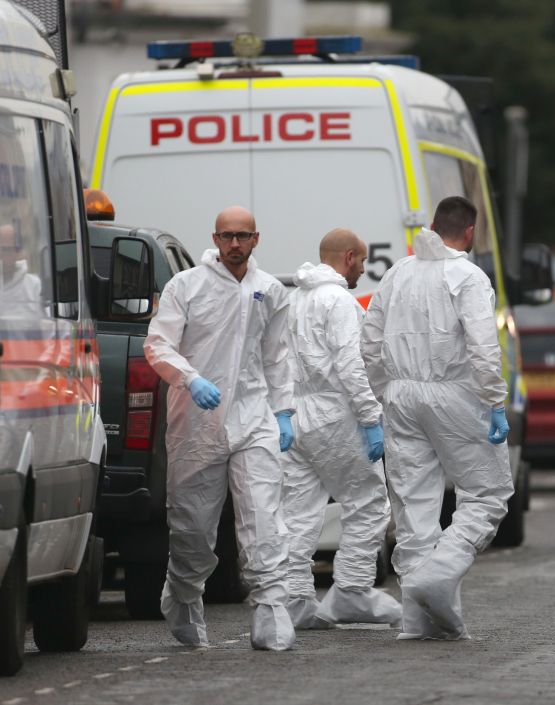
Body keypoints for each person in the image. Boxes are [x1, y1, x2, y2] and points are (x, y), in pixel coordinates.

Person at [143, 206, 297, 651]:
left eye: (242, 236)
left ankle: (271, 608)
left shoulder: (269, 291)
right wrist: (189, 377)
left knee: (264, 514)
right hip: (196, 420)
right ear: (214, 237)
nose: (234, 244)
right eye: (227, 236)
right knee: (192, 525)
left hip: (253, 417)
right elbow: (158, 344)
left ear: (256, 239)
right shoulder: (186, 286)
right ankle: (185, 596)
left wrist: (283, 411)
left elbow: (278, 356)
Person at [361, 196, 513, 640]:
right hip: (455, 394)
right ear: (469, 232)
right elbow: (484, 348)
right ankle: (438, 575)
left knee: (414, 505)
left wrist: (383, 392)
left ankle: (418, 620)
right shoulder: (468, 276)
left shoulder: (396, 274)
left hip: (401, 395)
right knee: (487, 492)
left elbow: (369, 342)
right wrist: (496, 401)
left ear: (431, 225)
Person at [280, 228, 402, 629]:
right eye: (363, 262)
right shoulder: (339, 302)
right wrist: (370, 419)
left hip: (295, 415)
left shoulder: (294, 300)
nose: (363, 271)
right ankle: (350, 591)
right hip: (335, 415)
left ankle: (295, 599)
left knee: (299, 511)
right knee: (368, 502)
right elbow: (352, 367)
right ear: (349, 257)